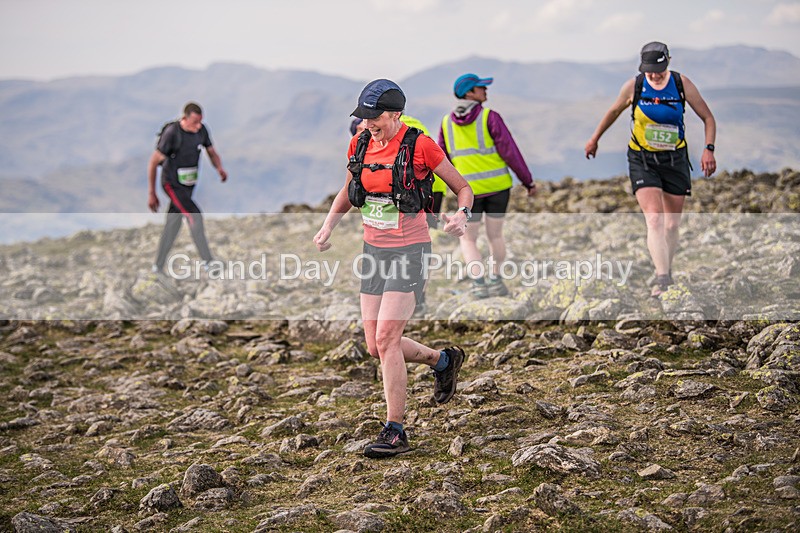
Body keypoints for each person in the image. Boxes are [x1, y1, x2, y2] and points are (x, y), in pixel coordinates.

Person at [316, 79, 474, 458]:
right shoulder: (360, 143)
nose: (368, 123)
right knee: (375, 346)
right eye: (364, 117)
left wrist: (462, 215)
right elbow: (349, 187)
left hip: (411, 250)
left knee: (387, 338)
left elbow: (462, 188)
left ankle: (395, 431)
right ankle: (444, 360)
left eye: (375, 117)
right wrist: (328, 224)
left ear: (395, 114)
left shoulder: (420, 145)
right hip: (374, 250)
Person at [584, 42, 717, 297]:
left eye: (659, 70)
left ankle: (666, 265)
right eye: (649, 70)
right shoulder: (634, 86)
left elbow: (708, 118)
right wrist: (594, 138)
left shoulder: (681, 84)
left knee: (671, 226)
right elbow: (613, 111)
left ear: (668, 62)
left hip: (675, 160)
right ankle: (662, 277)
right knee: (654, 219)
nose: (654, 75)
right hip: (642, 160)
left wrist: (708, 148)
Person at [438, 73, 536, 299]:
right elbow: (510, 151)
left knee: (468, 239)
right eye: (480, 87)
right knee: (495, 236)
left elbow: (441, 160)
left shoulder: (446, 123)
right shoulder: (490, 117)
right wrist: (527, 181)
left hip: (467, 194)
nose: (485, 90)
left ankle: (478, 284)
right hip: (497, 188)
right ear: (469, 93)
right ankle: (495, 280)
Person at [147, 102, 228, 275]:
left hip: (188, 185)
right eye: (194, 123)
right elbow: (153, 163)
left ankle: (157, 267)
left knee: (172, 226)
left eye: (200, 122)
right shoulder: (172, 134)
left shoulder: (202, 131)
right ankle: (209, 263)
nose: (198, 126)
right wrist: (152, 194)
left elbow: (212, 152)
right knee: (195, 216)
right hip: (171, 184)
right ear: (185, 118)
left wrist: (219, 168)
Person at [353, 115, 447, 229]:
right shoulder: (413, 124)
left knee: (407, 228)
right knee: (429, 227)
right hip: (435, 184)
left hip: (411, 187)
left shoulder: (387, 132)